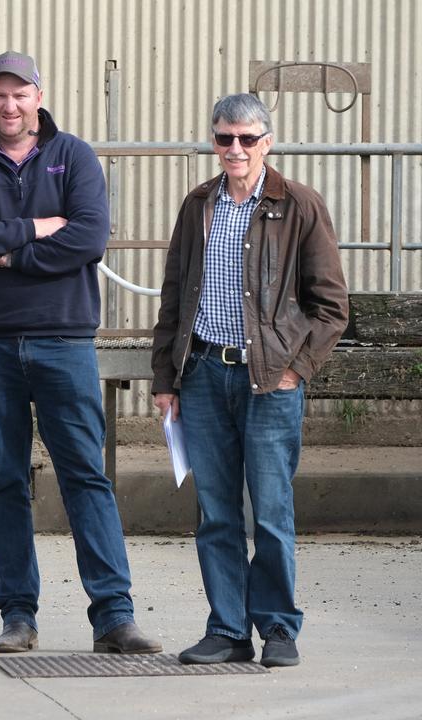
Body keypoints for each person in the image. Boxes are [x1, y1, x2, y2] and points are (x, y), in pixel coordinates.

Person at [0, 52, 161, 655]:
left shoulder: (74, 156)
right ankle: (18, 617)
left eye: (20, 94)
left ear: (39, 95)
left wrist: (5, 255)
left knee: (86, 475)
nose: (10, 105)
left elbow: (88, 236)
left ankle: (114, 616)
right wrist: (36, 229)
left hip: (64, 342)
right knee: (3, 480)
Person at [152, 93, 348, 668]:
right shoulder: (198, 205)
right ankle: (228, 629)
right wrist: (166, 377)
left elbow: (331, 306)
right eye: (223, 138)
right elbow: (174, 296)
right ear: (213, 141)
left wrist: (295, 368)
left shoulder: (300, 206)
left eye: (245, 138)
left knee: (270, 510)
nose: (233, 149)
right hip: (204, 375)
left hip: (270, 381)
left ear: (267, 142)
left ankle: (279, 630)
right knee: (215, 511)